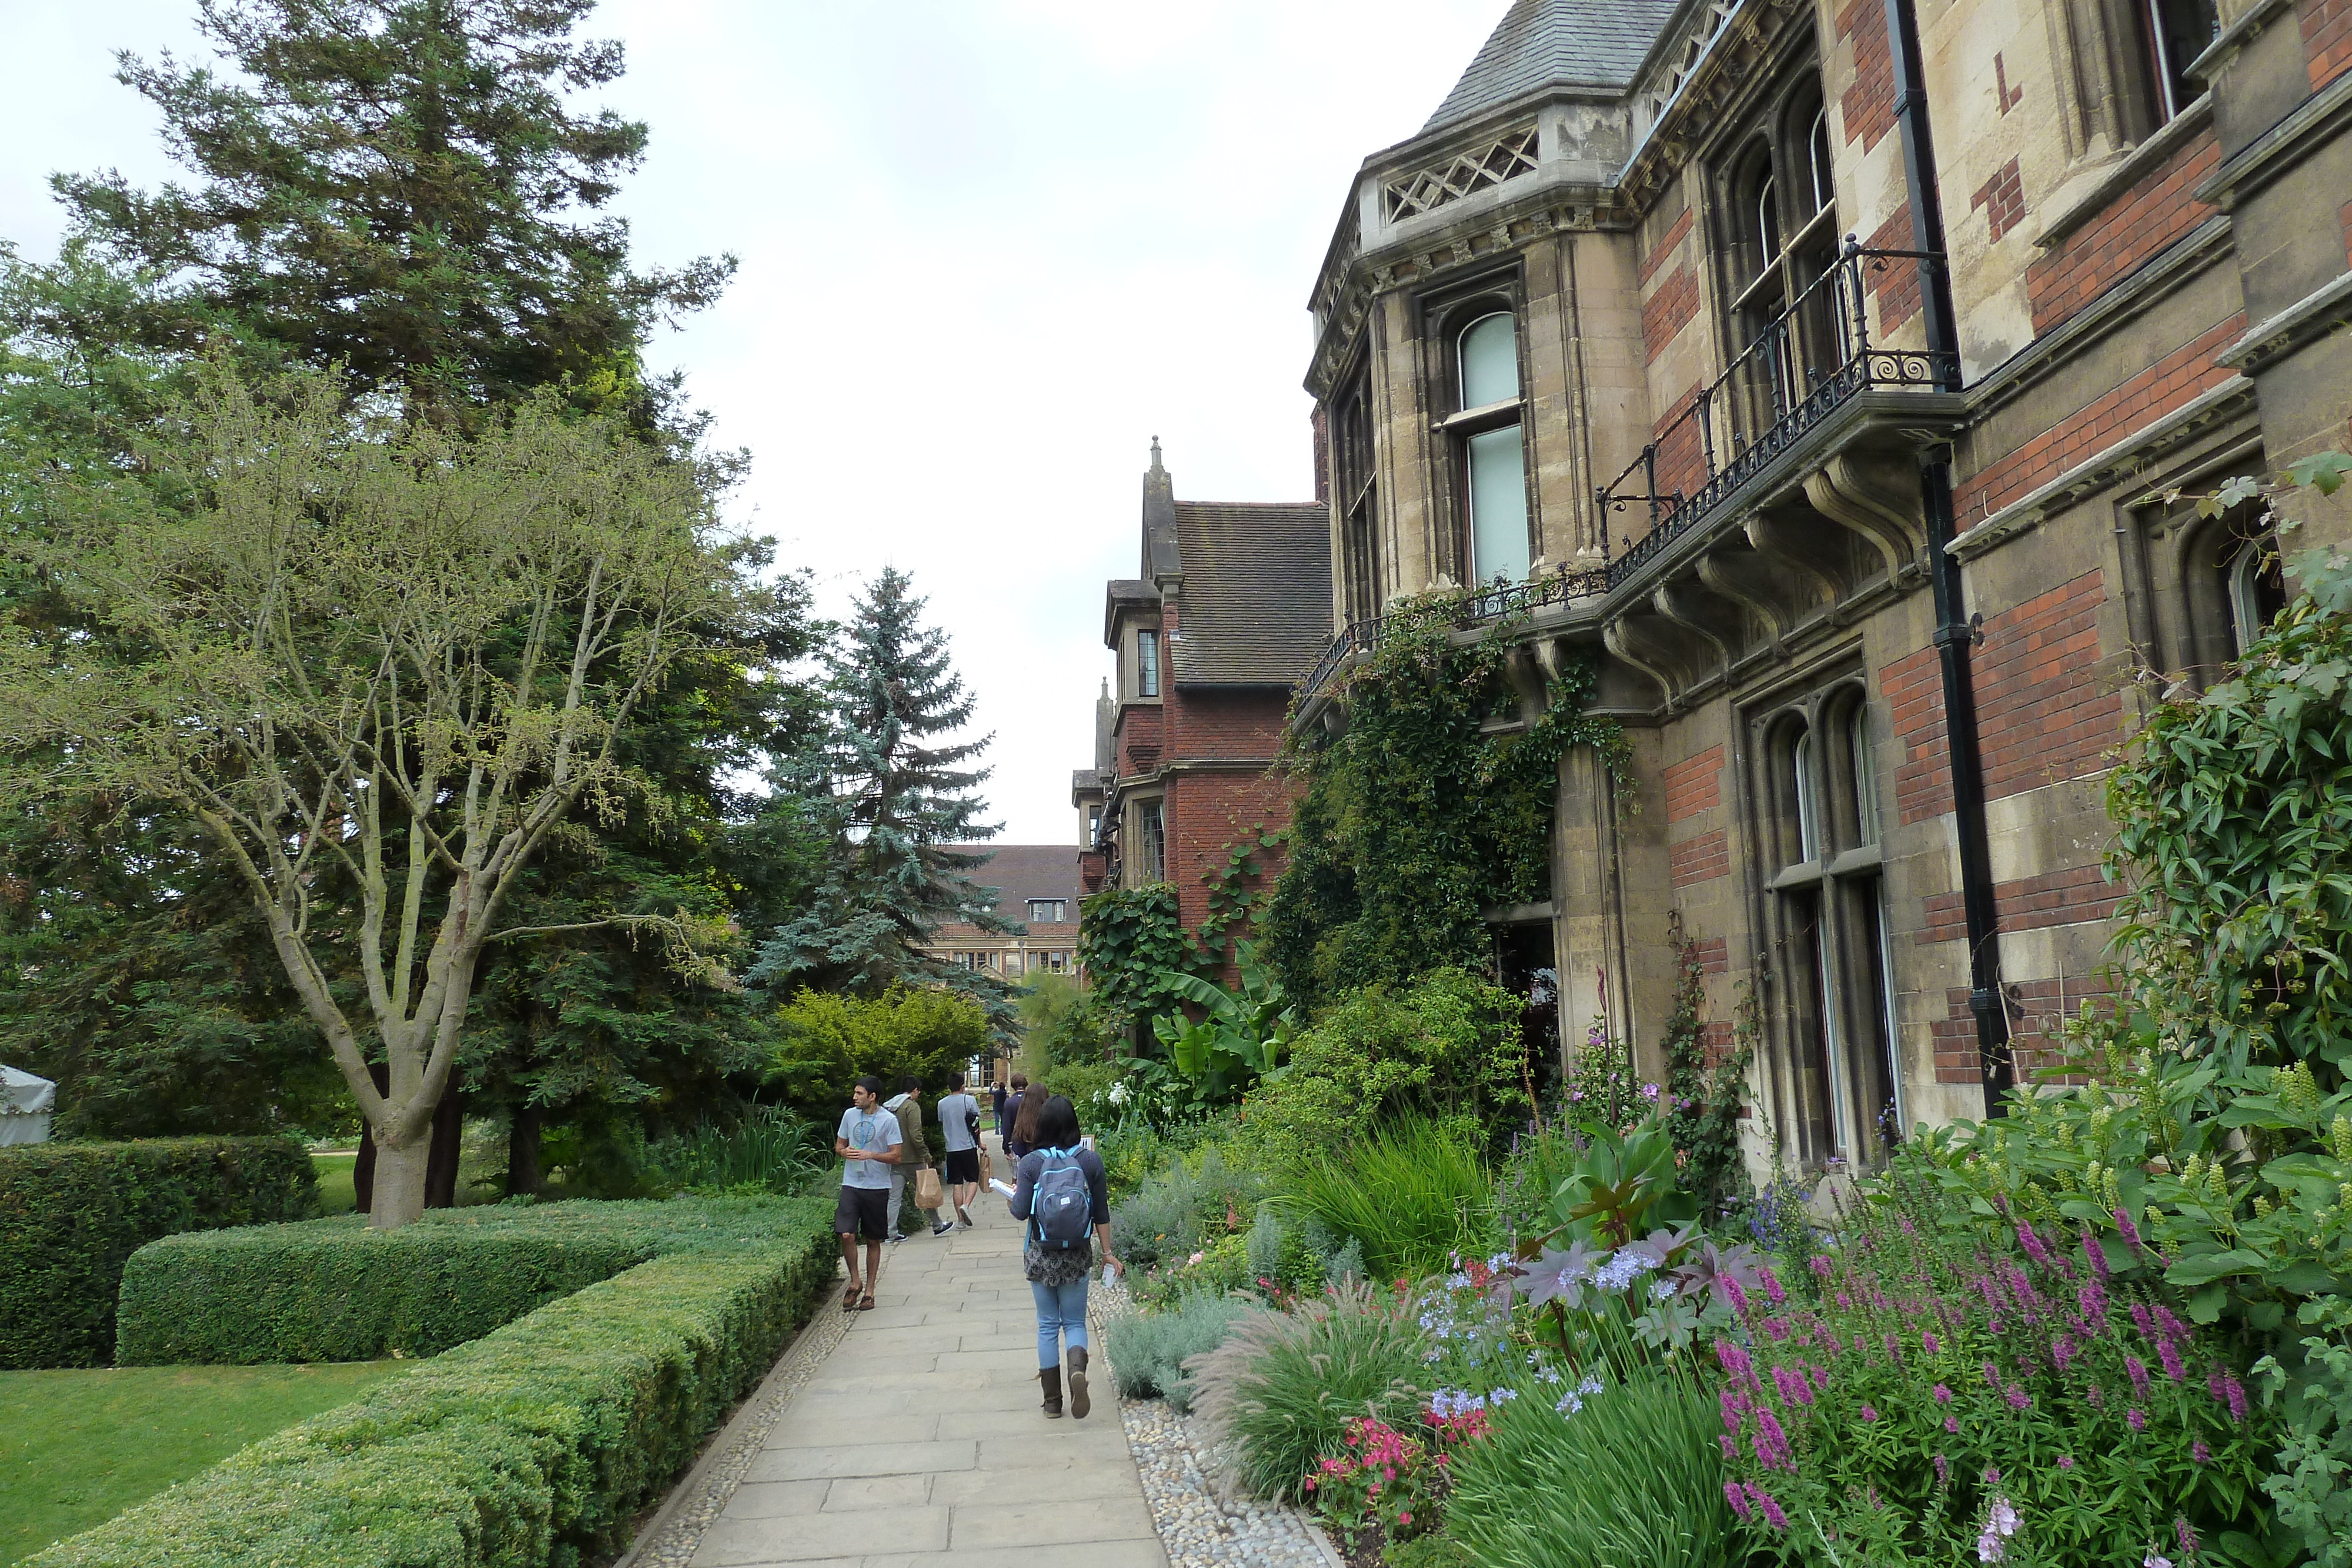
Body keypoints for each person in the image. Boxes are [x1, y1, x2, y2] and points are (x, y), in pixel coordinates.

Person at [1007, 1094, 1120, 1420]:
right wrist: (1108, 1254)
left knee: (1046, 1326)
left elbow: (1019, 1211)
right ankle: (1077, 1373)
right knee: (1074, 1322)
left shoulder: (1031, 1163)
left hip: (1040, 1254)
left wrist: (1014, 1196)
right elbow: (1101, 1212)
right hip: (1077, 1255)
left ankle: (1053, 1403)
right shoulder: (1089, 1161)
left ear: (1041, 1125)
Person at [833, 1075, 902, 1311]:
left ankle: (870, 1291)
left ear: (872, 1097)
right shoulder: (849, 1115)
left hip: (877, 1186)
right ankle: (855, 1281)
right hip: (851, 1183)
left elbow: (897, 1155)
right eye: (855, 1093)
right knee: (846, 1234)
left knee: (873, 1240)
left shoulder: (888, 1120)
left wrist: (871, 1155)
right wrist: (845, 1153)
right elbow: (839, 1146)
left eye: (859, 1094)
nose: (854, 1097)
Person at [884, 1075, 952, 1240]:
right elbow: (916, 1135)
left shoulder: (890, 1107)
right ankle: (937, 1225)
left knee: (894, 1198)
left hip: (894, 1157)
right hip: (913, 1159)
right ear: (915, 1090)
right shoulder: (911, 1107)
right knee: (926, 1192)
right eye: (918, 1092)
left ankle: (890, 1232)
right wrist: (926, 1155)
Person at [938, 1071, 983, 1228]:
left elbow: (942, 1121)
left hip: (951, 1148)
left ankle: (960, 1221)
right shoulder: (969, 1101)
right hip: (968, 1146)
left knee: (957, 1184)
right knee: (973, 1179)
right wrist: (980, 1143)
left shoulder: (941, 1104)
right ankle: (966, 1206)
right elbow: (975, 1125)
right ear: (963, 1086)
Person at [1001, 1073, 1030, 1158]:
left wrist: (1006, 1147)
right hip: (1032, 1143)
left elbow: (1007, 1126)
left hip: (1017, 1144)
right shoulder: (1032, 1100)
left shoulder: (1009, 1102)